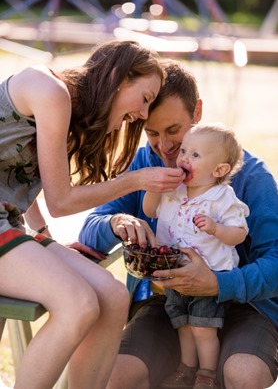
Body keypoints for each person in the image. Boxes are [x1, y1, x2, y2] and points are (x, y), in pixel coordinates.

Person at [79, 60, 278, 389]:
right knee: (118, 376)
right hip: (167, 301)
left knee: (244, 374)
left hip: (247, 305)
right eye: (152, 133)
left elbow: (275, 259)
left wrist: (216, 284)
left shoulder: (251, 176)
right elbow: (91, 226)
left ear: (197, 112)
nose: (166, 147)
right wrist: (116, 222)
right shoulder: (144, 163)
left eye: (174, 130)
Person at [0, 40, 186, 389]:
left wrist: (44, 239)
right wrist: (135, 180)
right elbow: (61, 201)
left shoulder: (68, 109)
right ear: (118, 75)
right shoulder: (50, 91)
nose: (144, 115)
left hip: (8, 221)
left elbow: (17, 178)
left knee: (112, 297)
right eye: (145, 98)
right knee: (79, 304)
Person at [143, 123, 250, 389]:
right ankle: (186, 368)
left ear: (219, 170)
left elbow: (239, 234)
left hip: (209, 277)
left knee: (203, 327)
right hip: (174, 276)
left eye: (195, 155)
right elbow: (149, 210)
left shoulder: (221, 198)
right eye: (184, 151)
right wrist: (155, 187)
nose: (183, 159)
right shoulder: (174, 189)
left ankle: (207, 374)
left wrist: (216, 228)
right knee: (184, 325)